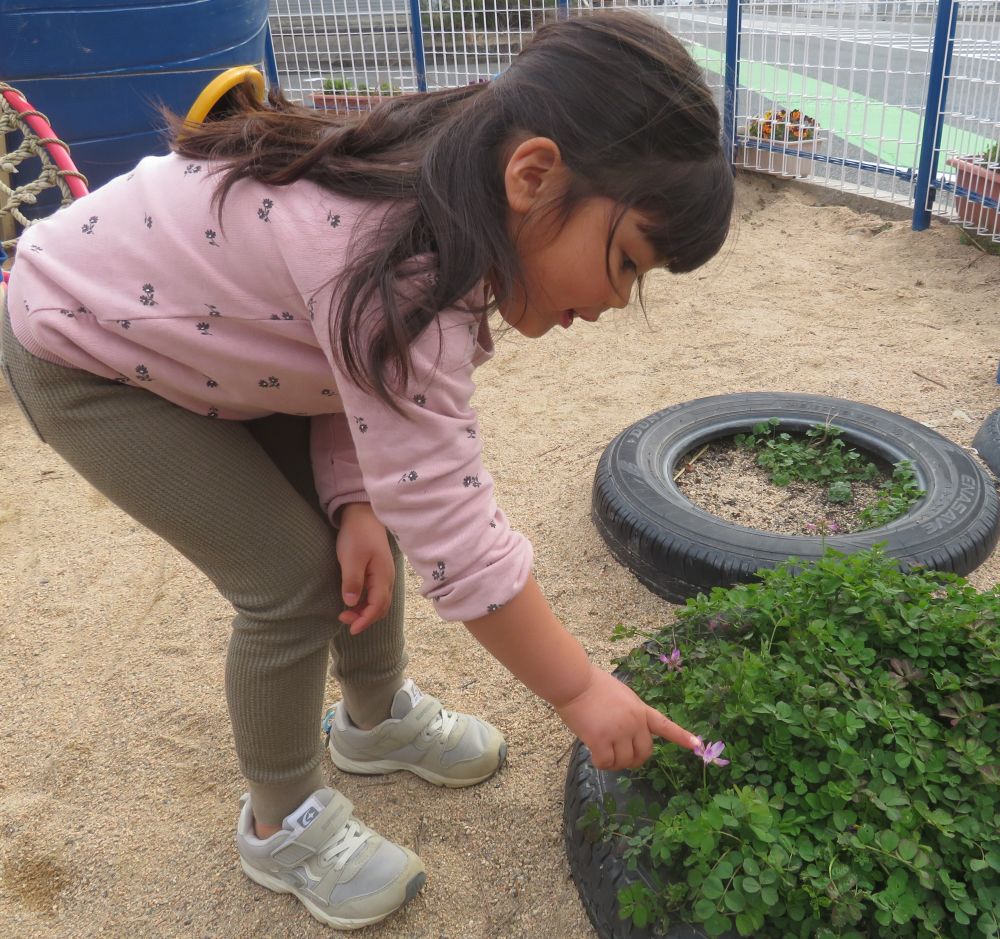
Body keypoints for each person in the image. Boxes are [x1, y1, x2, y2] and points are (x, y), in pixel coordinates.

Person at [0, 9, 733, 931]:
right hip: (88, 348)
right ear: (534, 173)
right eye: (624, 262)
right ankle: (281, 818)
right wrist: (580, 689)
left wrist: (350, 495)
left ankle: (374, 717)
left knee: (370, 514)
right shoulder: (408, 275)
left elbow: (348, 367)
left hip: (218, 339)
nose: (617, 300)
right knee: (290, 579)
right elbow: (460, 544)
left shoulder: (454, 180)